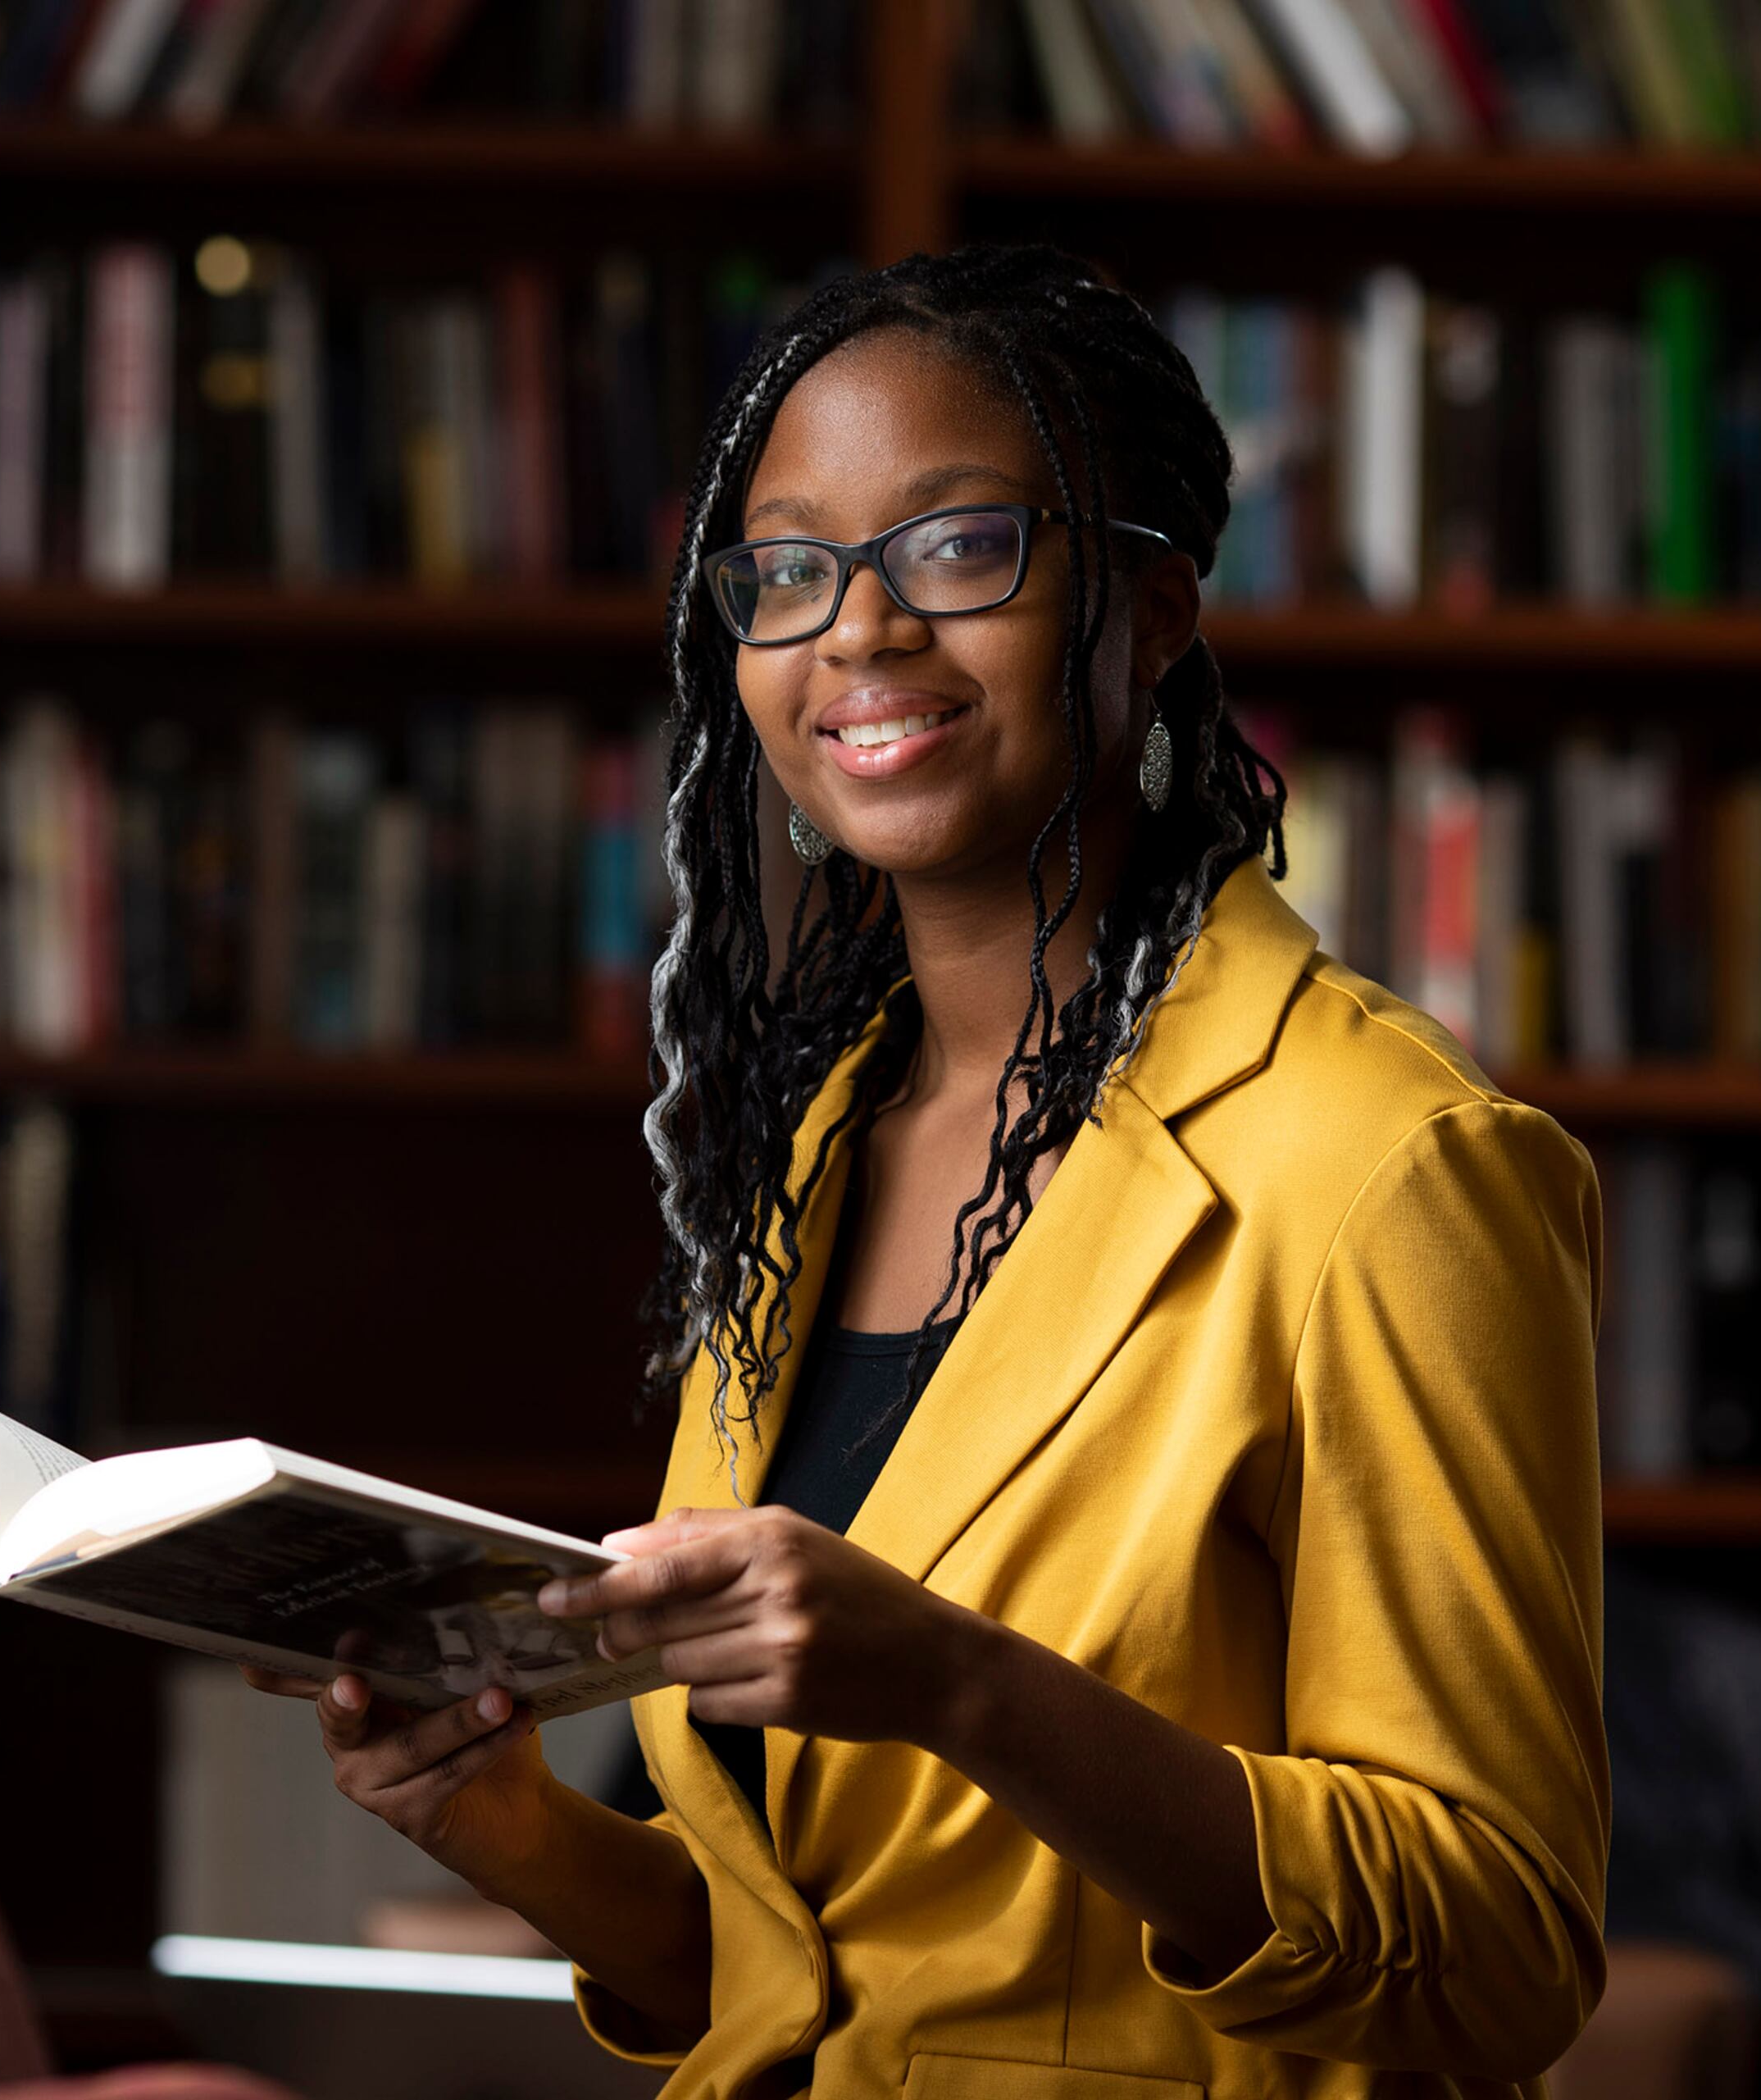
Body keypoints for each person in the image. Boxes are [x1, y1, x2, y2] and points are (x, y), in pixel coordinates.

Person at [245, 244, 1608, 2098]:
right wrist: (516, 1832)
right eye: (789, 572)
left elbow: (1499, 1958)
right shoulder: (824, 1144)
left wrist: (966, 1688)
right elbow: (824, 1985)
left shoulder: (1391, 1167)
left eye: (959, 547)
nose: (859, 634)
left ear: (1149, 607)